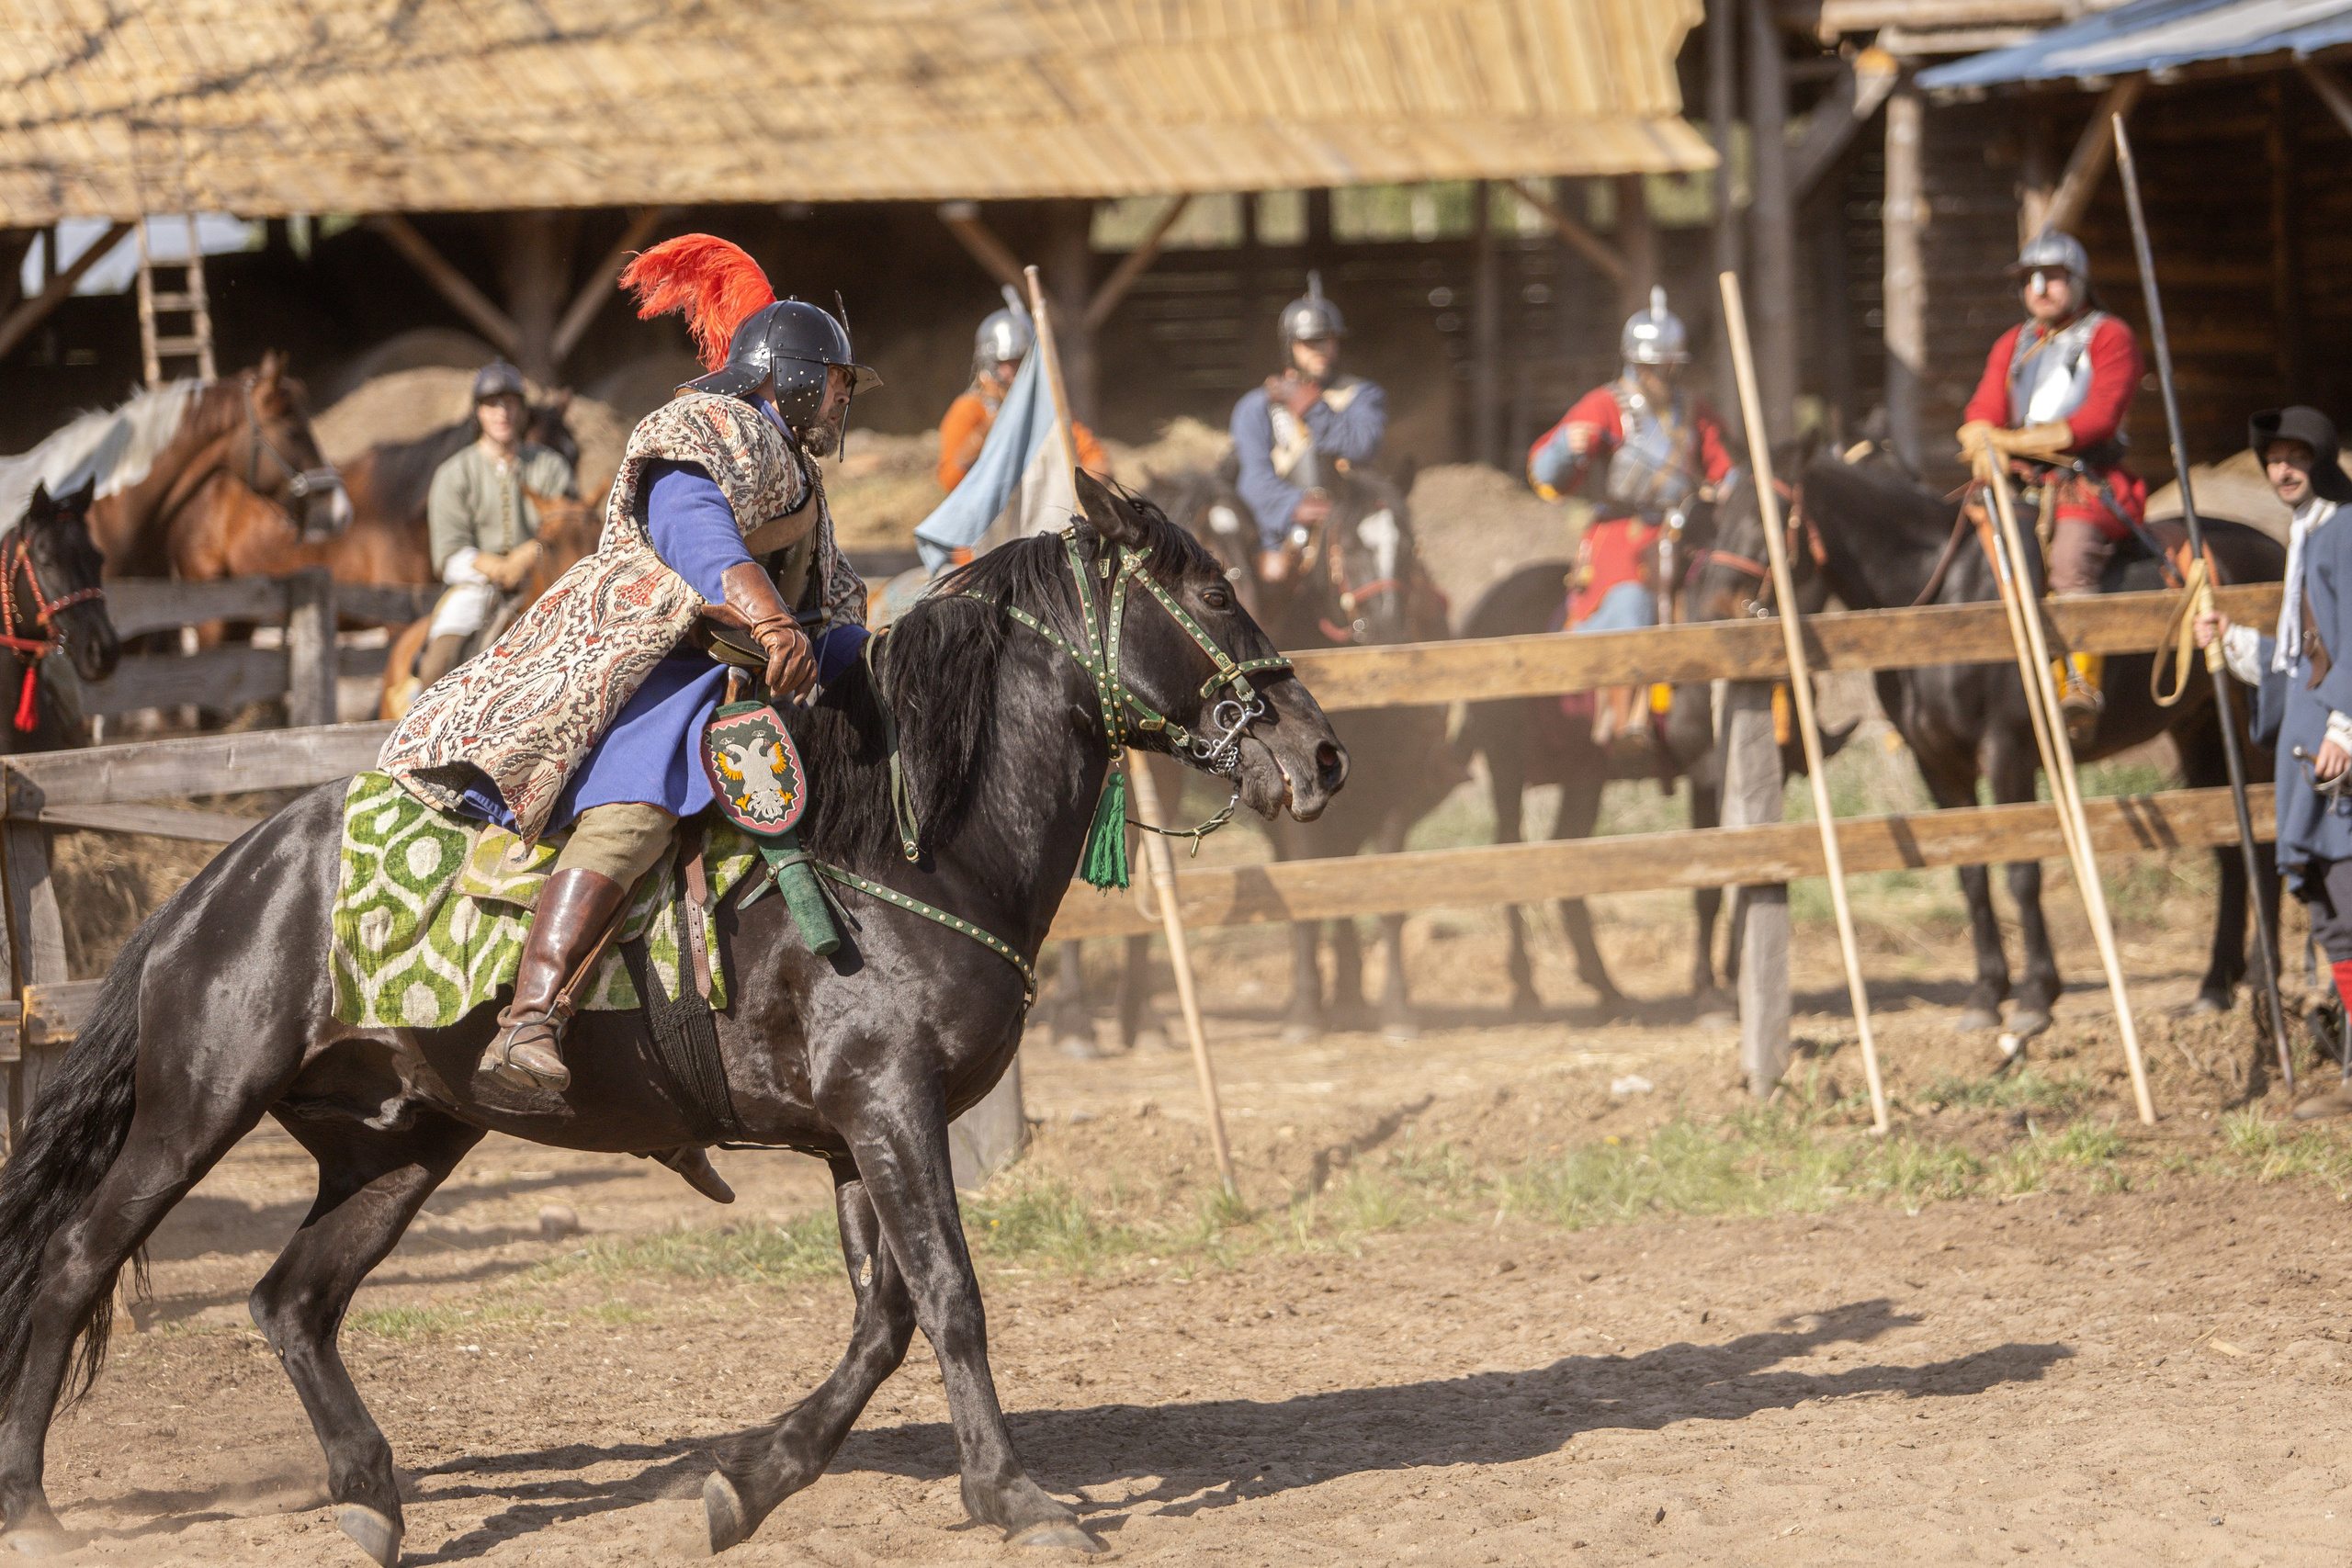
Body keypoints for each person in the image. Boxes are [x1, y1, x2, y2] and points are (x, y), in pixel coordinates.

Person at [380, 233, 872, 1100]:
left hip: (749, 685)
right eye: (834, 382)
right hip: (659, 665)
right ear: (791, 376)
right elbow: (692, 527)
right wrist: (766, 615)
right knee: (636, 810)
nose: (842, 399)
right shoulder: (708, 428)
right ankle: (531, 1015)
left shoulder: (800, 475)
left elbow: (830, 610)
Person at [2197, 407, 2352, 1119]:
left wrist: (2345, 725)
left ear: (2321, 461)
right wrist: (2234, 640)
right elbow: (2299, 659)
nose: (2283, 470)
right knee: (2331, 916)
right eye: (2274, 459)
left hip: (2336, 748)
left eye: (2296, 456)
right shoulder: (2306, 533)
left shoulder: (2344, 531)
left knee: (2348, 905)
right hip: (2307, 745)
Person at [1525, 287, 1736, 749]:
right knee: (1632, 601)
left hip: (1686, 532)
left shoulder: (1692, 409)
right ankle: (1624, 718)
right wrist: (1565, 449)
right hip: (1622, 537)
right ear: (1637, 364)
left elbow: (1724, 466)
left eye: (1671, 366)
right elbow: (1545, 470)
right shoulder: (1605, 404)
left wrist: (1734, 486)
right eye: (1657, 366)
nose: (1665, 374)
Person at [1958, 230, 2147, 741]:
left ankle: (2082, 684)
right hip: (2020, 483)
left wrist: (2010, 438)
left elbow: (2097, 417)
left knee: (2070, 555)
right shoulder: (2013, 343)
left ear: (2078, 280)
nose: (2040, 288)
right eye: (2030, 279)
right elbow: (1983, 409)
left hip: (2086, 482)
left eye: (2054, 277)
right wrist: (1980, 437)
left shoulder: (2110, 336)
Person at [416, 361, 579, 689]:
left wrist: (528, 554)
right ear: (478, 412)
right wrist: (499, 568)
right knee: (435, 668)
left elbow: (569, 530)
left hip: (547, 580)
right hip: (477, 589)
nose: (503, 413)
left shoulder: (551, 466)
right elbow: (449, 554)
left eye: (511, 403)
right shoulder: (453, 474)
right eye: (492, 404)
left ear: (523, 410)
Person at [1229, 272, 1387, 582]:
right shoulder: (1255, 407)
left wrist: (1312, 408)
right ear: (1290, 346)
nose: (1320, 348)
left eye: (1328, 339)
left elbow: (1362, 446)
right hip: (1281, 533)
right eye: (1309, 341)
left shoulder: (1362, 396)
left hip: (1351, 531)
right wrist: (1295, 505)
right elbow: (1253, 480)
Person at [936, 288, 1106, 492]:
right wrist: (988, 429)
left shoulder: (1050, 410)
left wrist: (1081, 492)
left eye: (1021, 361)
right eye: (1006, 362)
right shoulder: (969, 408)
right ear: (990, 363)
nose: (1013, 371)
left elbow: (1097, 462)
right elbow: (950, 480)